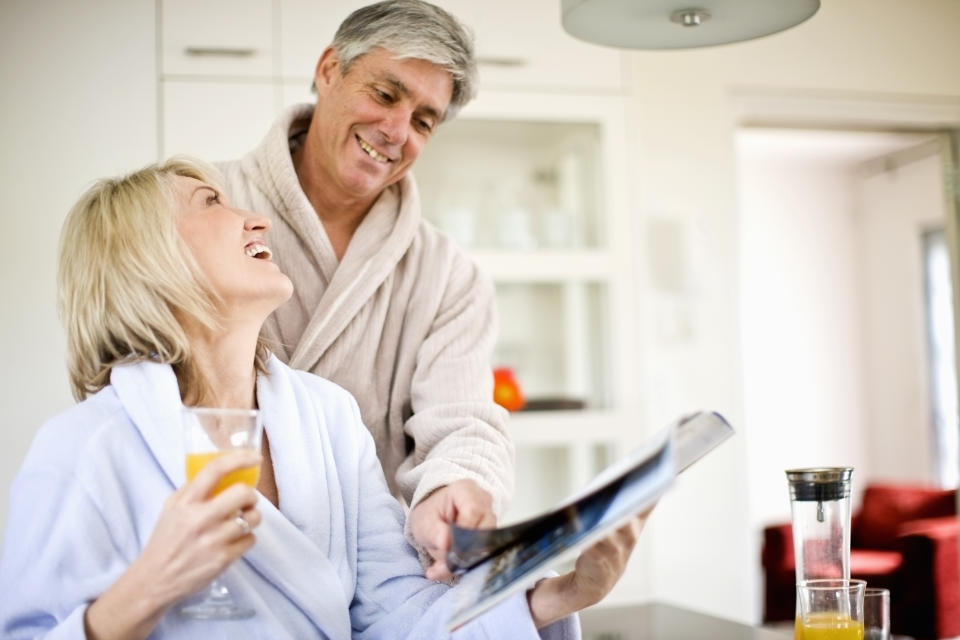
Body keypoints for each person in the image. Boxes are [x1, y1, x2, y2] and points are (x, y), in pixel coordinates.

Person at [0, 158, 643, 638]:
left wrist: (559, 594)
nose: (254, 217)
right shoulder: (86, 445)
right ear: (146, 256)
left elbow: (398, 612)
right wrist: (141, 592)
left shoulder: (326, 417)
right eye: (209, 202)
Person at [217, 0, 509, 578]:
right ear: (329, 70)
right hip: (213, 553)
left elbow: (462, 421)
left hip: (366, 577)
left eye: (424, 120)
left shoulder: (448, 275)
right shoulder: (204, 204)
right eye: (385, 94)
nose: (397, 131)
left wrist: (451, 488)